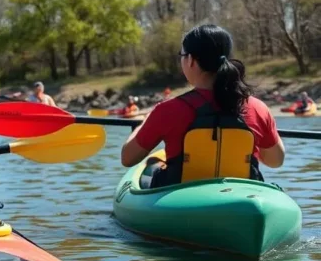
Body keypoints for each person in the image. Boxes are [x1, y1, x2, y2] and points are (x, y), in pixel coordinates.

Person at [121, 24, 285, 188]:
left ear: (191, 60)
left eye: (182, 55)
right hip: (240, 197)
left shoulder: (167, 111)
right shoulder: (258, 108)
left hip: (181, 199)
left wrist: (146, 120)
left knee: (150, 167)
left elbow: (128, 158)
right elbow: (275, 161)